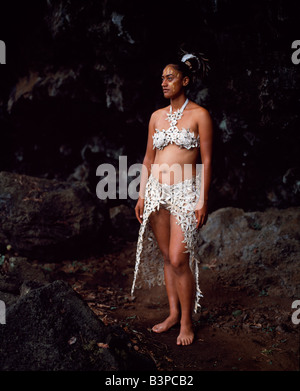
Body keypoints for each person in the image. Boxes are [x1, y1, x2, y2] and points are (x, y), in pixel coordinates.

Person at [132, 52, 213, 346]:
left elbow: (206, 161)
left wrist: (202, 201)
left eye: (170, 77)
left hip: (185, 193)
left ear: (185, 80)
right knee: (167, 257)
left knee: (180, 258)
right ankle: (172, 314)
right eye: (162, 78)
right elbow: (148, 158)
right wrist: (141, 195)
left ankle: (187, 323)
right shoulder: (156, 116)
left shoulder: (200, 115)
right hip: (156, 192)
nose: (164, 82)